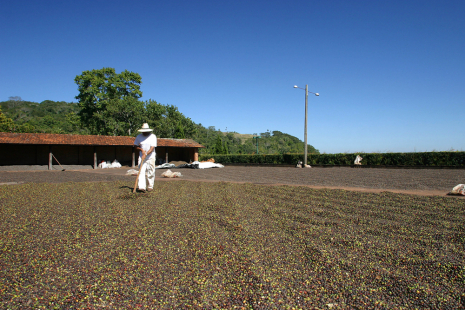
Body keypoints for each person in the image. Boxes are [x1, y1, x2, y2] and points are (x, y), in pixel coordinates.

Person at [134, 123, 157, 192]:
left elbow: (152, 148)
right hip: (141, 157)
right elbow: (135, 146)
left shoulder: (153, 136)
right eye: (143, 131)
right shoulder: (139, 137)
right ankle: (141, 187)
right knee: (141, 171)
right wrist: (141, 150)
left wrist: (146, 153)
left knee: (151, 171)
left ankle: (150, 186)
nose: (144, 132)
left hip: (150, 157)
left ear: (148, 131)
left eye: (145, 131)